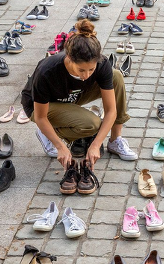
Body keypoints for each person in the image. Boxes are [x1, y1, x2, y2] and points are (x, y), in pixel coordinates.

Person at [21, 19, 138, 168]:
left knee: (116, 77)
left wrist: (96, 144)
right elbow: (40, 116)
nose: (86, 75)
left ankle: (115, 141)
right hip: (41, 107)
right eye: (81, 70)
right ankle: (48, 134)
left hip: (71, 95)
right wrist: (60, 147)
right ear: (69, 58)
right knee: (92, 124)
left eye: (91, 69)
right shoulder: (47, 71)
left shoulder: (102, 64)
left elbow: (111, 111)